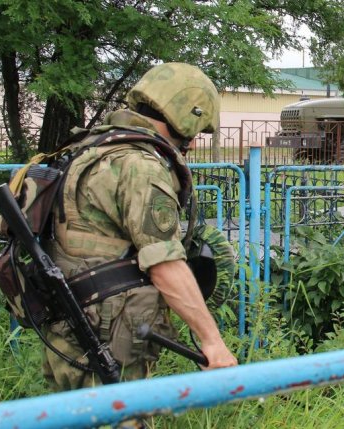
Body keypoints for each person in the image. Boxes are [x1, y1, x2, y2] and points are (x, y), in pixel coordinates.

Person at [42, 62, 238, 391]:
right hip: (105, 333)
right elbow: (164, 263)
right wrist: (213, 342)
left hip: (70, 322)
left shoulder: (91, 148)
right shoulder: (140, 166)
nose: (191, 140)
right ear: (188, 114)